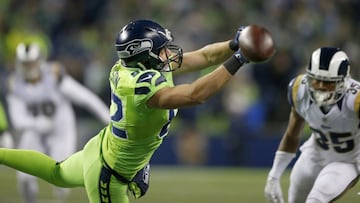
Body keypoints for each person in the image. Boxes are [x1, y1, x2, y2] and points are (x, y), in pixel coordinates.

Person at [0, 19, 264, 203]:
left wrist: (234, 42)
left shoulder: (134, 66)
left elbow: (204, 57)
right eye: (161, 50)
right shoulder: (139, 85)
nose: (168, 54)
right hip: (109, 173)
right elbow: (195, 95)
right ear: (143, 55)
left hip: (105, 146)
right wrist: (240, 58)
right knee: (57, 174)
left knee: (57, 173)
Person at [6, 42, 110, 203]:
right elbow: (17, 119)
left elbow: (85, 98)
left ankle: (60, 200)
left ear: (40, 60)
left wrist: (107, 118)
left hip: (60, 129)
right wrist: (35, 123)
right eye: (25, 63)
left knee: (61, 175)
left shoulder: (54, 76)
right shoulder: (15, 84)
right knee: (24, 175)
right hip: (34, 130)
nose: (29, 67)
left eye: (31, 62)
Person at [264, 47, 360, 203]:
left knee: (316, 199)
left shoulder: (355, 100)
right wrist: (273, 175)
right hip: (315, 153)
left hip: (348, 160)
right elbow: (292, 134)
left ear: (344, 81)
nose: (321, 86)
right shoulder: (299, 89)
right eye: (316, 79)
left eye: (328, 82)